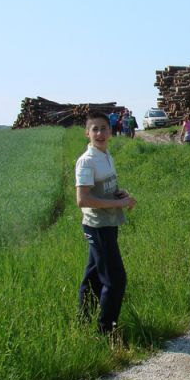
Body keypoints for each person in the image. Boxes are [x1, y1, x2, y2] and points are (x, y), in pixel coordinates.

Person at [75, 111, 137, 334]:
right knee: (115, 280)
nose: (100, 133)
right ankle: (106, 332)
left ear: (111, 131)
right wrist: (119, 205)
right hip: (97, 226)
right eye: (95, 129)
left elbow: (105, 190)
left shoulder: (106, 155)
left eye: (103, 128)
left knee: (93, 278)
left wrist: (119, 195)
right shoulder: (87, 162)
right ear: (87, 133)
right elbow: (83, 200)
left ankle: (82, 324)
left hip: (108, 223)